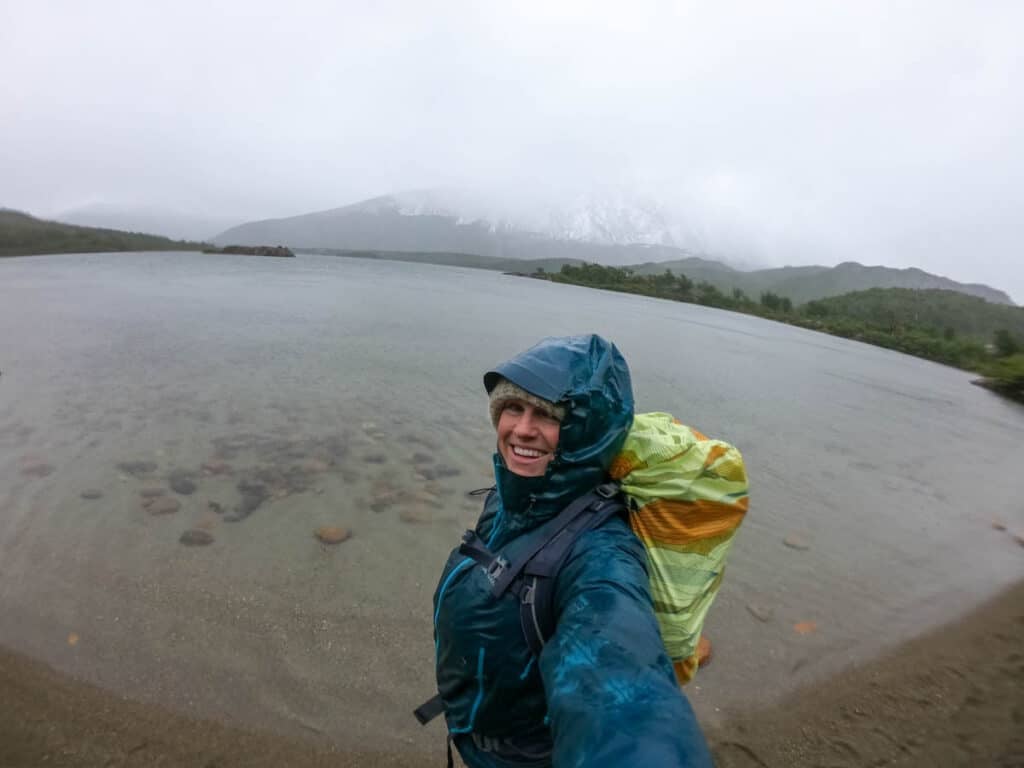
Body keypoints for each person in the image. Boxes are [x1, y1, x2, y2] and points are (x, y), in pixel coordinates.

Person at [426, 334, 713, 768]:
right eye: (512, 408)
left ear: (585, 432)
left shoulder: (601, 555)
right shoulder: (512, 497)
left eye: (546, 415)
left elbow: (619, 680)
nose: (522, 429)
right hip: (483, 739)